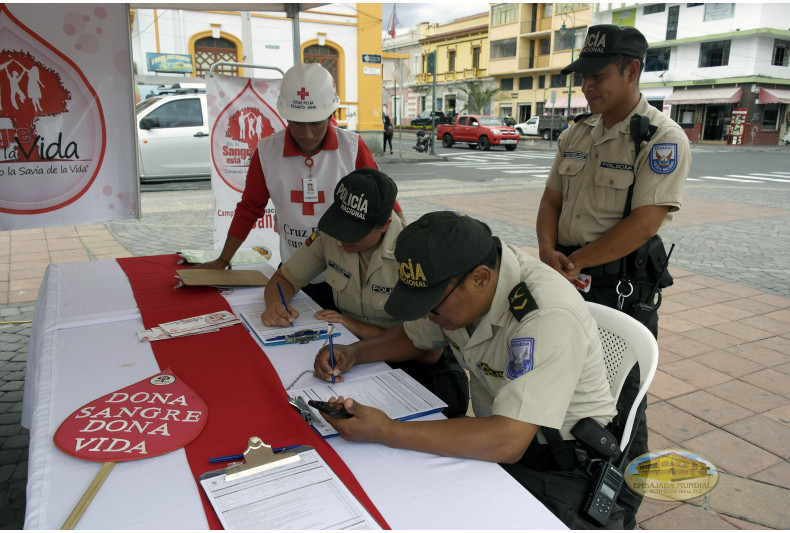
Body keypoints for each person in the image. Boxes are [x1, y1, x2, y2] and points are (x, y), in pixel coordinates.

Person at [312, 211, 621, 529]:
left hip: (558, 463)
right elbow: (416, 336)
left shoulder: (545, 315)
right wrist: (354, 353)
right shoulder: (457, 280)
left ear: (480, 279)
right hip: (496, 433)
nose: (429, 315)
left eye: (433, 304)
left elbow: (508, 440)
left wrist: (386, 430)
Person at [535, 24, 691, 529]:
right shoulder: (578, 131)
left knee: (622, 407)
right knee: (566, 385)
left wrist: (575, 262)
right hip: (565, 273)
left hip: (618, 286)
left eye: (598, 76)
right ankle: (571, 484)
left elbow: (644, 223)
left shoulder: (661, 138)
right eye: (582, 77)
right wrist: (546, 251)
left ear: (632, 71)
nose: (587, 86)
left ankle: (620, 511)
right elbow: (551, 199)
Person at [193, 62, 403, 311]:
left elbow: (386, 205)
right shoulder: (267, 151)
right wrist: (223, 259)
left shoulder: (353, 147)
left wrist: (406, 253)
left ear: (330, 115)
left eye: (316, 123)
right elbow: (250, 207)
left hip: (347, 276)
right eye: (297, 123)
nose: (307, 134)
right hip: (294, 272)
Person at [263, 171, 469, 418]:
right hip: (352, 356)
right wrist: (275, 303)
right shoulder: (330, 235)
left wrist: (355, 327)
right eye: (341, 226)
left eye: (354, 233)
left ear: (385, 225)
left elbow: (426, 350)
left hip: (408, 367)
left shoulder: (413, 254)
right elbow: (285, 278)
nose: (343, 239)